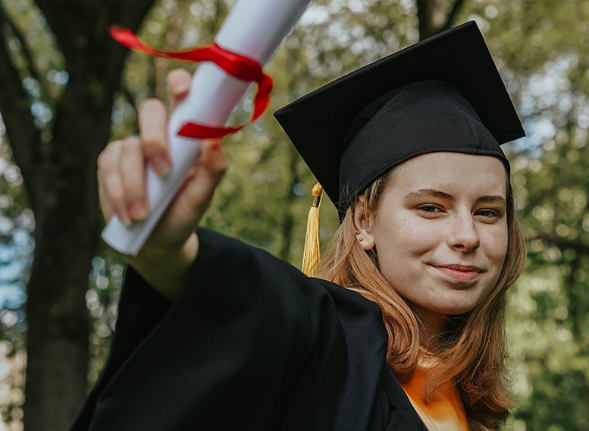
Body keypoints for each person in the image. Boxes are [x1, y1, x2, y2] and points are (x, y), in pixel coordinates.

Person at [73, 22, 526, 431]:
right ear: (363, 222)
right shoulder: (327, 347)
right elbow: (255, 306)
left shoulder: (470, 399)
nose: (466, 236)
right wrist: (167, 252)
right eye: (431, 207)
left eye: (488, 212)